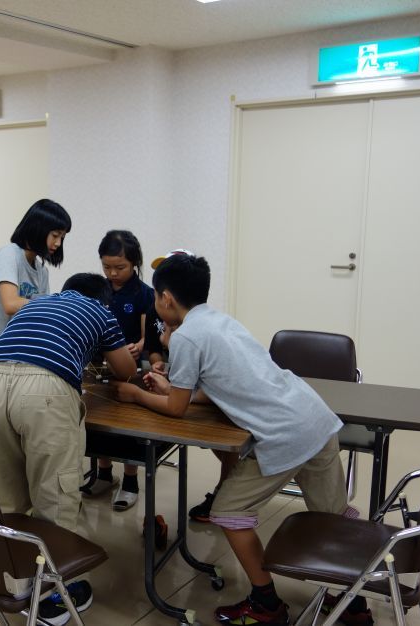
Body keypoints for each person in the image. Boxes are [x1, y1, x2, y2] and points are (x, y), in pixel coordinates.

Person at [114, 253, 367, 626]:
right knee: (332, 520)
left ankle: (266, 602)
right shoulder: (219, 320)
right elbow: (216, 386)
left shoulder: (186, 336)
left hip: (286, 434)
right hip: (314, 417)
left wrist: (135, 394)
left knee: (229, 512)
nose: (156, 304)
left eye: (156, 297)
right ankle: (352, 607)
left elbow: (177, 409)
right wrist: (172, 386)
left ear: (166, 298)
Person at [0, 273, 137, 626]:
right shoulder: (101, 310)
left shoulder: (37, 303)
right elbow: (124, 370)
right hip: (44, 389)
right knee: (56, 494)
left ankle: (12, 584)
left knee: (7, 491)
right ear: (102, 298)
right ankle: (52, 600)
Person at [0, 199, 70, 474]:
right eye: (55, 235)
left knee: (7, 431)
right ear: (39, 227)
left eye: (62, 238)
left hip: (5, 359)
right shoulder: (10, 254)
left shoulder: (40, 270)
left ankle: (2, 494)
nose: (57, 243)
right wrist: (54, 304)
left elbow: (36, 315)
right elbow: (10, 303)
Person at [81, 230, 154, 510]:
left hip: (129, 367)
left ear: (134, 263)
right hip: (98, 364)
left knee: (128, 425)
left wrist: (140, 344)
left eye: (119, 267)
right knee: (100, 418)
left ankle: (131, 481)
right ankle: (103, 474)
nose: (112, 273)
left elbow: (150, 334)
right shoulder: (100, 290)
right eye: (106, 267)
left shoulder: (144, 294)